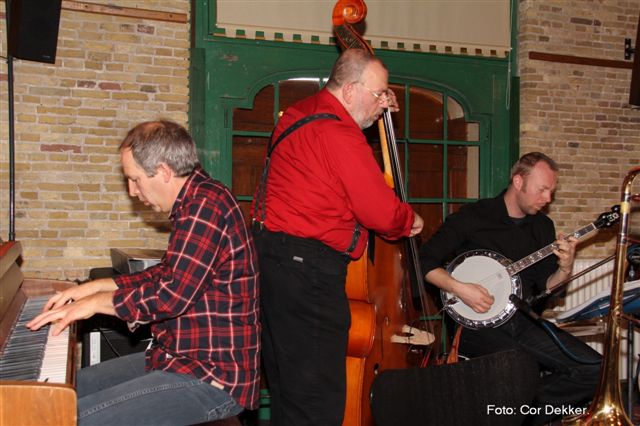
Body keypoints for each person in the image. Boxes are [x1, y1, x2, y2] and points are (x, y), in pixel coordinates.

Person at [27, 120, 260, 425]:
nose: (132, 191)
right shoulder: (196, 201)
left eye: (135, 179)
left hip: (212, 377)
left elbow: (171, 296)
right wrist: (98, 287)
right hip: (179, 359)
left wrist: (95, 304)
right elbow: (166, 273)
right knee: (60, 392)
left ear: (163, 171)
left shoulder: (206, 206)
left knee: (64, 418)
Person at [251, 48, 424, 426]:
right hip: (308, 272)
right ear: (348, 91)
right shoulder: (340, 132)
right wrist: (409, 219)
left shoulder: (298, 113)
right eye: (377, 94)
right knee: (316, 401)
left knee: (288, 393)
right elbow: (380, 212)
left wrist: (378, 100)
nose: (381, 104)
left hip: (272, 263)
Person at [419, 152, 601, 425]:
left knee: (594, 369)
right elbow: (424, 260)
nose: (548, 198)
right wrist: (460, 288)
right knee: (519, 372)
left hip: (522, 320)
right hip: (475, 326)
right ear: (518, 181)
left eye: (551, 191)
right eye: (542, 189)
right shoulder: (474, 217)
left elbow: (547, 287)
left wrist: (565, 268)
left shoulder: (542, 226)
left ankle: (515, 416)